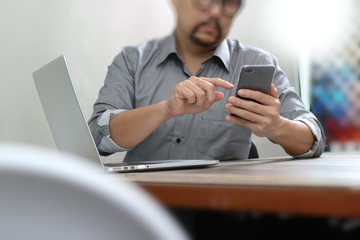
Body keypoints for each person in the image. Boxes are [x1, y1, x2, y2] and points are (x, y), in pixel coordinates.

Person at [88, 0, 325, 161]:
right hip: (145, 208)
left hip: (221, 212)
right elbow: (97, 138)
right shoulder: (133, 60)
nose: (215, 12)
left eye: (228, 2)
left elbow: (314, 137)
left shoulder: (258, 62)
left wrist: (278, 127)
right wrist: (165, 109)